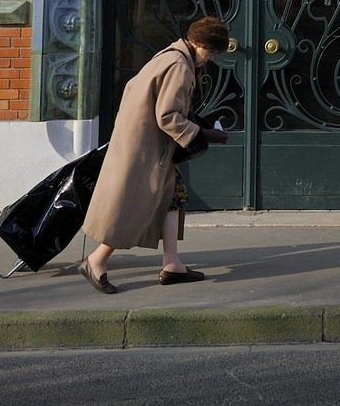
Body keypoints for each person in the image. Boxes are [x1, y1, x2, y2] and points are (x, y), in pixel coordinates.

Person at [78, 16, 231, 294]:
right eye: (211, 53)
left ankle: (172, 264)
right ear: (199, 44)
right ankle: (95, 260)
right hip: (147, 150)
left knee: (174, 196)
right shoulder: (180, 66)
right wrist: (206, 134)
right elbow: (168, 116)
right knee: (132, 205)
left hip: (142, 144)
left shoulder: (168, 55)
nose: (210, 59)